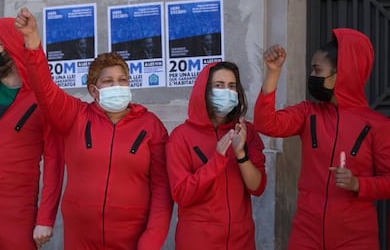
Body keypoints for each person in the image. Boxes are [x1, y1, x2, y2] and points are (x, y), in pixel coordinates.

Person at [14, 7, 173, 250]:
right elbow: (44, 89)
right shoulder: (75, 115)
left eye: (122, 80)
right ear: (93, 89)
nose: (117, 86)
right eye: (108, 81)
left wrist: (150, 242)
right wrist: (33, 41)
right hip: (81, 239)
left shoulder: (151, 126)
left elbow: (162, 191)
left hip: (130, 239)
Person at [254, 28, 390, 249]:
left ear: (342, 72)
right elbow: (265, 123)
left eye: (317, 70)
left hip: (356, 236)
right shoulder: (308, 113)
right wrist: (273, 72)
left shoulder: (377, 125)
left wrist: (358, 183)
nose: (312, 76)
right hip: (307, 232)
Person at [0, 17, 64, 249]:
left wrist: (45, 219)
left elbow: (55, 162)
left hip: (15, 217)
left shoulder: (43, 100)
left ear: (11, 45)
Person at [167, 61, 267, 250]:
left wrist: (240, 155)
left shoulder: (246, 131)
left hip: (241, 240)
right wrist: (217, 160)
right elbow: (182, 194)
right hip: (198, 241)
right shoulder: (181, 136)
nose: (226, 92)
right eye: (219, 85)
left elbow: (257, 187)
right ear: (204, 90)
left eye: (232, 86)